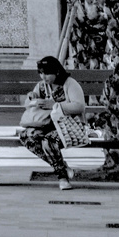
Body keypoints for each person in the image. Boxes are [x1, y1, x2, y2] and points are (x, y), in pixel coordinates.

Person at [17, 55, 87, 191]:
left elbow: (79, 106)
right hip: (47, 125)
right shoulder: (42, 86)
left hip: (70, 126)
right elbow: (27, 104)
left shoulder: (70, 84)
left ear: (57, 72)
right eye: (41, 73)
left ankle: (62, 177)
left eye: (47, 73)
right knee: (27, 136)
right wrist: (32, 97)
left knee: (48, 141)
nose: (43, 77)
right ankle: (62, 166)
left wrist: (55, 105)